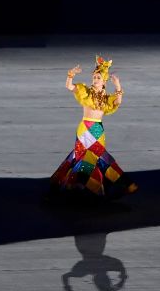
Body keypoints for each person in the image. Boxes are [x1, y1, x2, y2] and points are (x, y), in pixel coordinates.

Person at [48, 55, 138, 201]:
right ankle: (78, 187)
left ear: (104, 81)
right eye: (94, 77)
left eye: (98, 78)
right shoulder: (86, 92)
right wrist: (71, 74)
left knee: (100, 158)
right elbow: (69, 86)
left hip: (97, 129)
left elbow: (118, 101)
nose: (94, 80)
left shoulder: (107, 98)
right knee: (80, 157)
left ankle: (84, 187)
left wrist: (118, 85)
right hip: (84, 128)